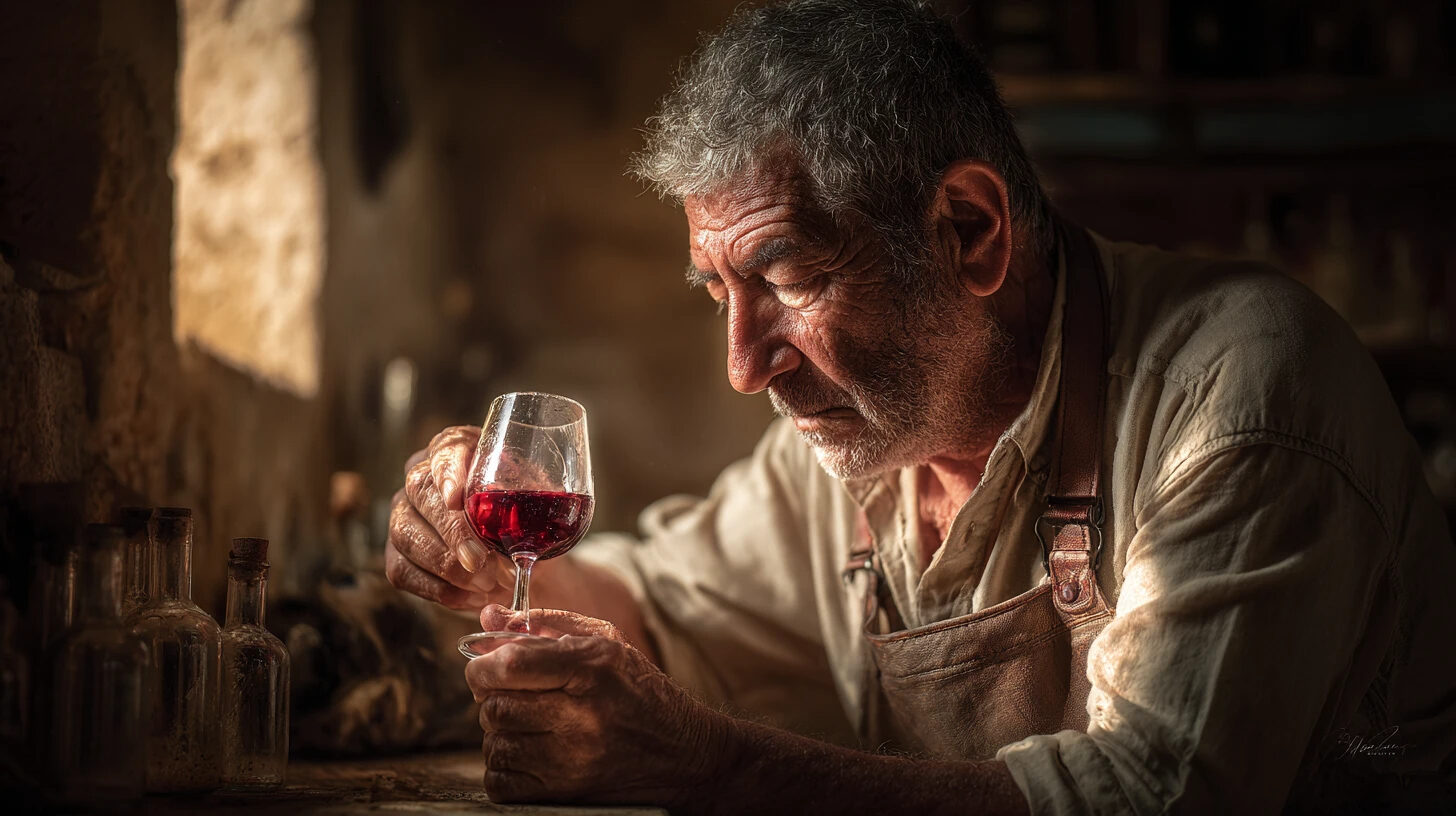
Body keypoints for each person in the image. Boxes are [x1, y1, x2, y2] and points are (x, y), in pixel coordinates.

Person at [387, 1, 1456, 812]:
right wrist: (493, 557)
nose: (744, 367)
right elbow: (664, 614)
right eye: (719, 293)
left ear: (970, 232)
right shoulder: (861, 443)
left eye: (789, 276)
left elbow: (1147, 796)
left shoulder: (1241, 395)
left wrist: (704, 763)